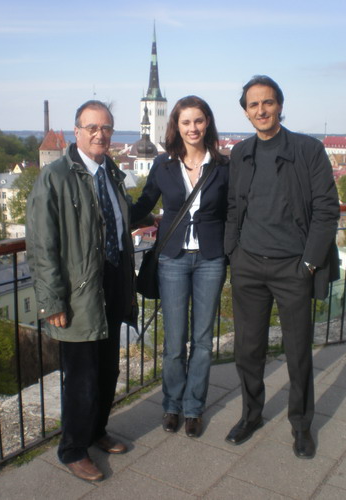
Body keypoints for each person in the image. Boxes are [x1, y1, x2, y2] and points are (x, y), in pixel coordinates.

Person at [224, 75, 340, 458]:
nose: (261, 110)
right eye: (253, 105)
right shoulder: (240, 153)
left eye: (268, 102)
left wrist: (308, 264)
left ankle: (302, 426)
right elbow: (232, 208)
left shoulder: (308, 149)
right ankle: (251, 415)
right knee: (248, 350)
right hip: (249, 268)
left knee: (297, 353)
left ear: (279, 105)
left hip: (293, 268)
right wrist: (233, 255)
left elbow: (326, 210)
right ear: (246, 112)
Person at [26, 100, 138, 482]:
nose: (99, 134)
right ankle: (73, 448)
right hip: (77, 292)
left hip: (112, 282)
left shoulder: (112, 173)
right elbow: (42, 244)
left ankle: (97, 432)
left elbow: (120, 222)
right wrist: (52, 300)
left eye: (105, 127)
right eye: (91, 127)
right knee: (81, 375)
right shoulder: (55, 177)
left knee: (108, 368)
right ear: (76, 131)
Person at [132, 96, 229, 438]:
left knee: (202, 340)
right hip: (172, 258)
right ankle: (171, 404)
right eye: (186, 122)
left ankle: (193, 408)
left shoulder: (223, 165)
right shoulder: (163, 165)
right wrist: (112, 213)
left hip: (211, 259)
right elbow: (145, 203)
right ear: (177, 126)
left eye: (199, 121)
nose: (193, 128)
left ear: (208, 124)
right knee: (175, 341)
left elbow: (233, 210)